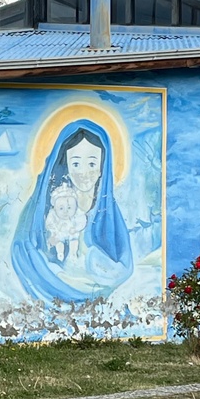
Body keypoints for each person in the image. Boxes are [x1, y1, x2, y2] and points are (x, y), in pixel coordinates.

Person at [11, 119, 133, 303]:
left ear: (102, 167)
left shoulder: (108, 212)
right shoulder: (50, 202)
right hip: (52, 284)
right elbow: (24, 248)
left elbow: (123, 264)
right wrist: (59, 276)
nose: (84, 172)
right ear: (66, 165)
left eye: (92, 164)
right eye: (76, 164)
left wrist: (91, 261)